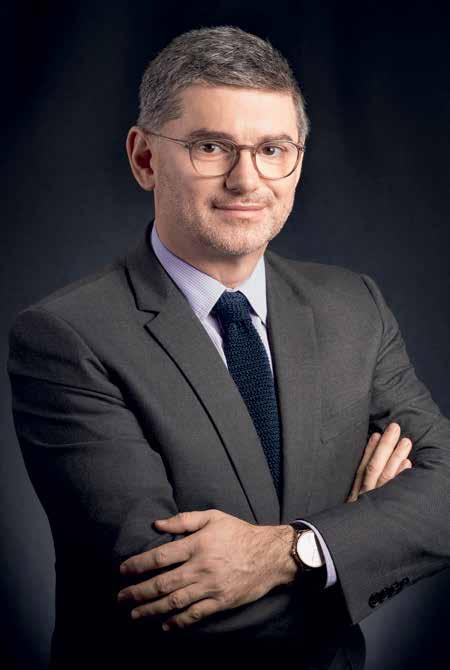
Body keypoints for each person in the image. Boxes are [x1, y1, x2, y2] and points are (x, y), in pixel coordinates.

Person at [7, 25, 450, 670]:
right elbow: (169, 593)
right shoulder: (67, 338)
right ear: (145, 158)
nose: (247, 180)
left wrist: (299, 550)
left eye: (273, 149)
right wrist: (362, 541)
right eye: (211, 147)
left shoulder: (354, 306)